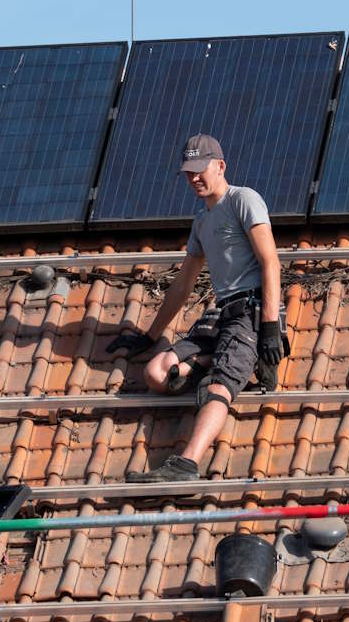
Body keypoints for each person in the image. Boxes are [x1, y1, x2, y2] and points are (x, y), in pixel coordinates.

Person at [104, 134, 284, 482]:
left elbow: (270, 262)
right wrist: (150, 336)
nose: (195, 178)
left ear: (220, 166)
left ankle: (186, 463)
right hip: (220, 317)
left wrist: (271, 327)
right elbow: (183, 284)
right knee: (157, 373)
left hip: (251, 311)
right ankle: (234, 362)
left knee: (218, 387)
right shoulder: (201, 222)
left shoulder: (243, 200)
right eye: (188, 173)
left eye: (201, 170)